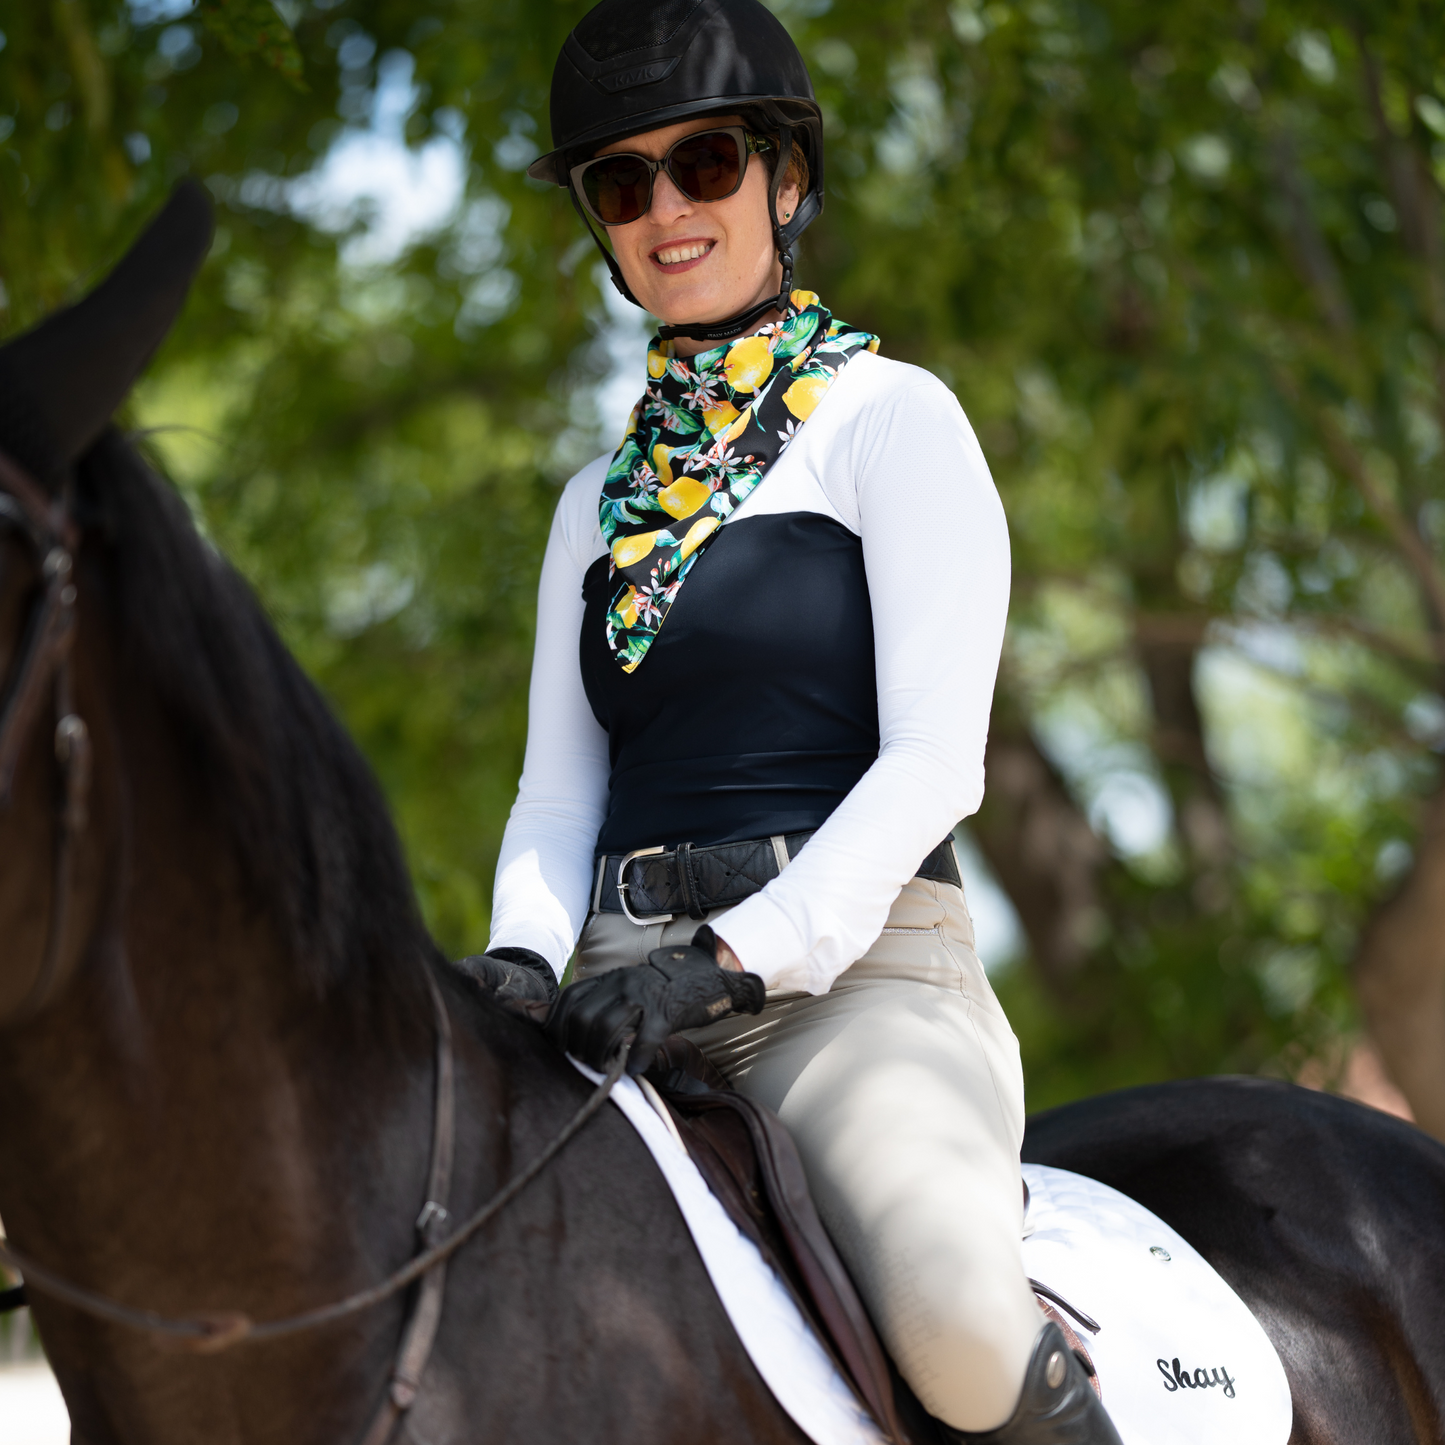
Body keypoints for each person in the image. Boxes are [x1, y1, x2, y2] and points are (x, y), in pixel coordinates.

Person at [470, 2, 1123, 1440]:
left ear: (786, 180)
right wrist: (519, 962)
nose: (665, 209)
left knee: (957, 1326)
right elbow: (559, 795)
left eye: (703, 163)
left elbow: (934, 765)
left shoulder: (894, 421)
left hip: (858, 995)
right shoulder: (592, 505)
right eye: (621, 182)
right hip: (616, 993)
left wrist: (724, 964)